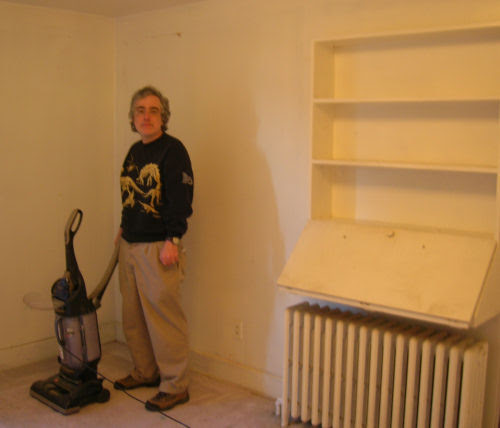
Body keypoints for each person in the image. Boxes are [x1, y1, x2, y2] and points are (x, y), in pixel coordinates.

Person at [114, 85, 194, 412]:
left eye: (153, 110)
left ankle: (175, 385)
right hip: (130, 243)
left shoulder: (173, 151)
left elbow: (181, 200)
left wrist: (173, 239)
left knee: (164, 319)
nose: (146, 116)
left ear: (164, 116)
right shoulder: (134, 151)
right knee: (132, 316)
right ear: (133, 118)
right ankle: (145, 371)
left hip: (158, 247)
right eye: (140, 110)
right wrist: (123, 227)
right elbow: (128, 194)